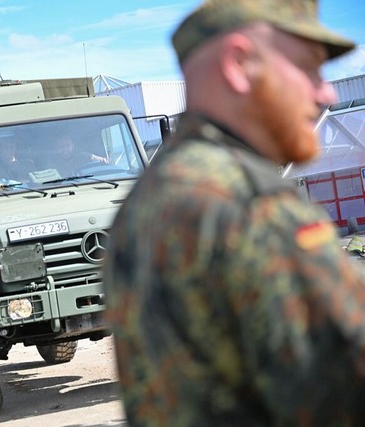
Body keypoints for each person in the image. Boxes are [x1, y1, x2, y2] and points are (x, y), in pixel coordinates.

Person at [103, 1, 364, 425]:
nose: (326, 92)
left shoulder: (149, 198)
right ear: (239, 64)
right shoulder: (250, 202)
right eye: (309, 68)